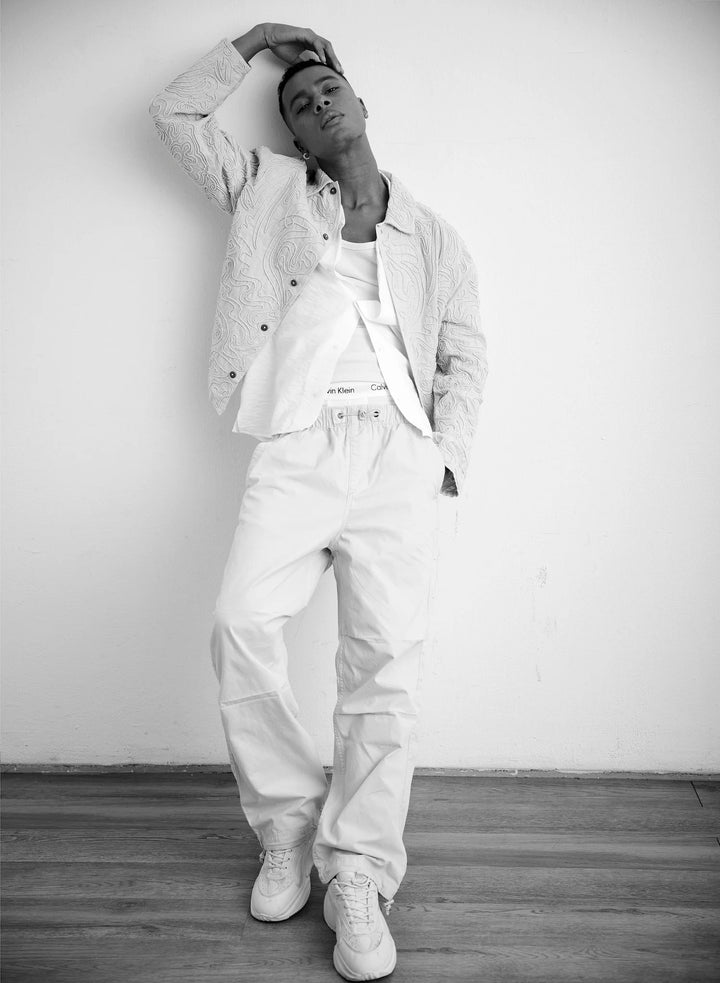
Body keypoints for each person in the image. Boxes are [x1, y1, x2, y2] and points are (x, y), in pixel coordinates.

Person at [148, 22, 488, 982]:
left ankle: (360, 870)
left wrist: (444, 457)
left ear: (361, 105)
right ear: (291, 137)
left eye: (327, 89)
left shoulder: (435, 236)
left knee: (386, 666)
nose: (315, 103)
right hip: (299, 441)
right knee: (240, 622)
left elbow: (465, 350)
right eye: (297, 104)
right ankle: (289, 826)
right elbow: (172, 114)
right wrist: (254, 41)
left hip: (399, 453)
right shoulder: (265, 189)